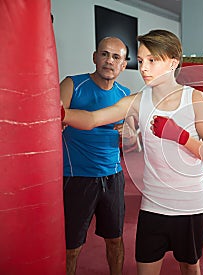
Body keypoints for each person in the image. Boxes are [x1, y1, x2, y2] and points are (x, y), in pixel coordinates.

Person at [62, 29, 203, 275]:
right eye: (142, 61)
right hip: (153, 207)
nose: (144, 68)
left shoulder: (195, 99)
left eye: (152, 61)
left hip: (190, 206)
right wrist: (61, 114)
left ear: (173, 63)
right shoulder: (137, 101)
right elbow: (93, 118)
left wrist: (181, 137)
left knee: (190, 267)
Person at [60, 37, 130, 275]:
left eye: (116, 57)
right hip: (77, 177)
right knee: (72, 247)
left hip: (113, 177)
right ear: (94, 57)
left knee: (115, 239)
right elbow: (52, 119)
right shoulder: (72, 85)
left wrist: (131, 133)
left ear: (123, 64)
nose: (109, 61)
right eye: (104, 54)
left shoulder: (125, 94)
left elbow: (133, 141)